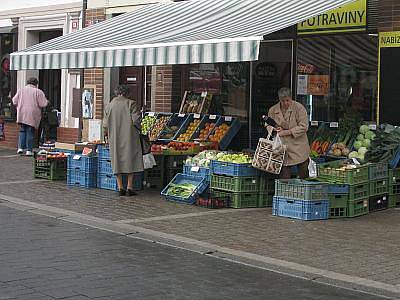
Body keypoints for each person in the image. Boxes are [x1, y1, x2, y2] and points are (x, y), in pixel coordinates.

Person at [103, 85, 144, 197]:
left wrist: (106, 134)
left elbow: (105, 124)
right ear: (127, 93)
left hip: (114, 137)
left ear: (117, 93)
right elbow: (136, 121)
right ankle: (130, 187)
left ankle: (120, 187)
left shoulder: (110, 105)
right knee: (131, 159)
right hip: (129, 136)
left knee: (116, 159)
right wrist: (140, 129)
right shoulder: (131, 104)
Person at [266, 87, 310, 179]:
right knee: (284, 177)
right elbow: (268, 124)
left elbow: (304, 126)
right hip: (282, 147)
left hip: (299, 146)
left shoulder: (299, 108)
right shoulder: (273, 110)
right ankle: (285, 192)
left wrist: (287, 132)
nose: (286, 103)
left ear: (291, 98)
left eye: (287, 100)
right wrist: (274, 129)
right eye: (283, 101)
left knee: (304, 174)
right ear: (279, 100)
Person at [12, 77, 48, 156]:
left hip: (22, 113)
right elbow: (43, 104)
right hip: (32, 115)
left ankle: (20, 148)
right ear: (36, 83)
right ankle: (29, 150)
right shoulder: (38, 92)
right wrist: (47, 102)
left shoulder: (21, 90)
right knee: (30, 131)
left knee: (22, 130)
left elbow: (14, 101)